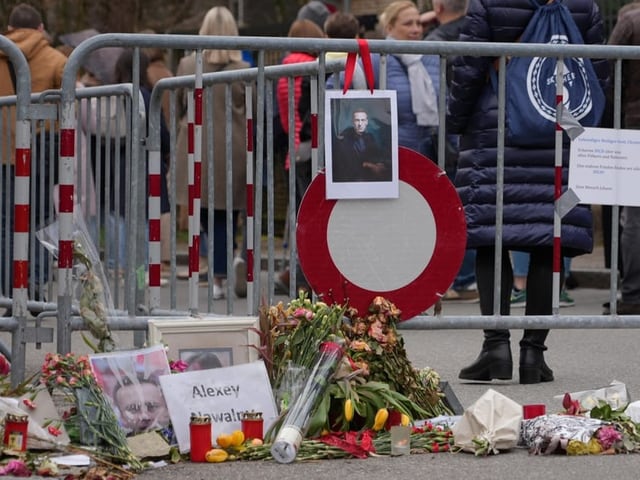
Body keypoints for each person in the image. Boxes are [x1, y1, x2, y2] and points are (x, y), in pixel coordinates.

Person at [446, 0, 609, 384]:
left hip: (497, 127)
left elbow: (469, 68)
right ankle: (534, 355)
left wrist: (456, 120)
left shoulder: (488, 3)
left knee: (492, 237)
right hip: (561, 128)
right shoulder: (583, 5)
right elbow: (598, 71)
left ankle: (496, 347)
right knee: (549, 239)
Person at [175, 6, 249, 300]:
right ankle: (226, 264)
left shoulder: (187, 65)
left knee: (205, 214)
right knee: (228, 214)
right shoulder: (244, 69)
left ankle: (218, 272)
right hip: (234, 149)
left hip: (197, 147)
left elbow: (177, 106)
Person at [0, 3, 68, 314]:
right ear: (41, 29)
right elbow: (69, 107)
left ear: (10, 28)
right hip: (42, 146)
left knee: (5, 221)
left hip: (3, 149)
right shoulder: (57, 59)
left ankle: (6, 287)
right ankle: (36, 286)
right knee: (40, 217)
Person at [274, 18, 326, 295]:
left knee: (301, 215)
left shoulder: (284, 69)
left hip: (294, 150)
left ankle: (298, 273)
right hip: (311, 147)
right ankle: (305, 274)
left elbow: (286, 117)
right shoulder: (312, 69)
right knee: (316, 216)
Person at [604, 6, 640, 315]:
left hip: (635, 125)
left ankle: (632, 294)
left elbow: (608, 70)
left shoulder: (631, 21)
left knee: (636, 216)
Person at [372, 1, 440, 159]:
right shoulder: (377, 60)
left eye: (418, 23)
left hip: (429, 156)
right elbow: (337, 89)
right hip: (388, 158)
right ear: (389, 28)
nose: (416, 29)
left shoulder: (432, 58)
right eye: (408, 24)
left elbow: (444, 105)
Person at [332, 108, 389, 182]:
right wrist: (369, 165)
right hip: (352, 179)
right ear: (353, 122)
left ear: (367, 122)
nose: (360, 124)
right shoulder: (344, 139)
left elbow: (376, 155)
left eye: (362, 120)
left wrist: (379, 164)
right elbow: (349, 165)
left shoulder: (370, 137)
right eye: (357, 120)